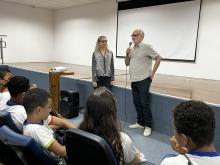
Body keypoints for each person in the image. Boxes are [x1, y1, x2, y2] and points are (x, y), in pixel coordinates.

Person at [79, 87, 142, 165]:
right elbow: (133, 162)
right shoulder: (122, 140)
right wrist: (137, 156)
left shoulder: (80, 133)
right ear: (112, 112)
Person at [23, 88, 76, 163]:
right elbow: (62, 152)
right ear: (38, 110)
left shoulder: (35, 117)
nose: (50, 110)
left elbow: (62, 122)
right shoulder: (37, 131)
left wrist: (80, 132)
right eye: (48, 107)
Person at [125, 29, 162, 136]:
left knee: (144, 103)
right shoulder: (132, 49)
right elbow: (127, 63)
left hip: (144, 79)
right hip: (134, 79)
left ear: (141, 36)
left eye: (135, 35)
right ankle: (140, 122)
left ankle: (148, 126)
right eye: (132, 35)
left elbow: (158, 57)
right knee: (136, 102)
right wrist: (127, 54)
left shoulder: (146, 47)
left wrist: (153, 73)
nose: (133, 36)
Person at [161, 100, 220, 165]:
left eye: (174, 129)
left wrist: (185, 155)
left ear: (184, 139)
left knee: (168, 156)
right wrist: (186, 153)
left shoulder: (169, 163)